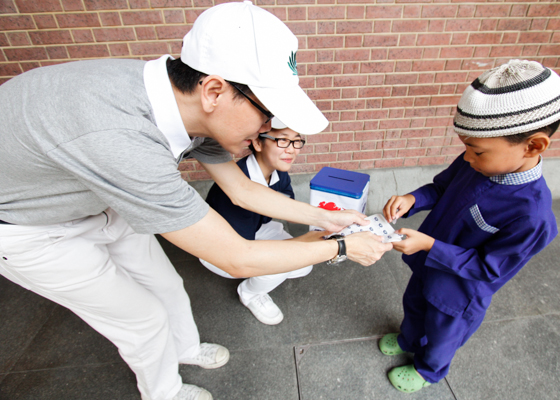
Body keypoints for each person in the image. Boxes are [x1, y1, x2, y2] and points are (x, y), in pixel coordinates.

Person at [0, 2, 392, 400]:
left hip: (100, 197)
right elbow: (236, 257)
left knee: (167, 283)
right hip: (30, 231)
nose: (266, 132)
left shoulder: (180, 103)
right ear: (214, 90)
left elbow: (242, 190)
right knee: (143, 320)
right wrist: (340, 247)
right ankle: (163, 392)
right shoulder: (123, 140)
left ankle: (184, 348)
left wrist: (327, 218)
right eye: (267, 114)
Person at [379, 59, 560, 393]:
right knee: (414, 304)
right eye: (465, 147)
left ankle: (429, 369)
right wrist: (413, 199)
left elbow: (489, 269)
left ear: (533, 145)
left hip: (459, 294)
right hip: (427, 266)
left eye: (475, 150)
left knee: (442, 334)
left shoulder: (532, 216)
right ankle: (407, 338)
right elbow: (441, 188)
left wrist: (430, 246)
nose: (466, 158)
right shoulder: (477, 162)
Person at [200, 119, 313, 325]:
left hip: (257, 228)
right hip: (222, 247)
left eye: (297, 142)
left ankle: (267, 274)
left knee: (304, 264)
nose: (292, 150)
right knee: (286, 262)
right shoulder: (237, 183)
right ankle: (249, 294)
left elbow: (287, 203)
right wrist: (280, 257)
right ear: (258, 144)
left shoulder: (278, 170)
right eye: (282, 141)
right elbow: (241, 247)